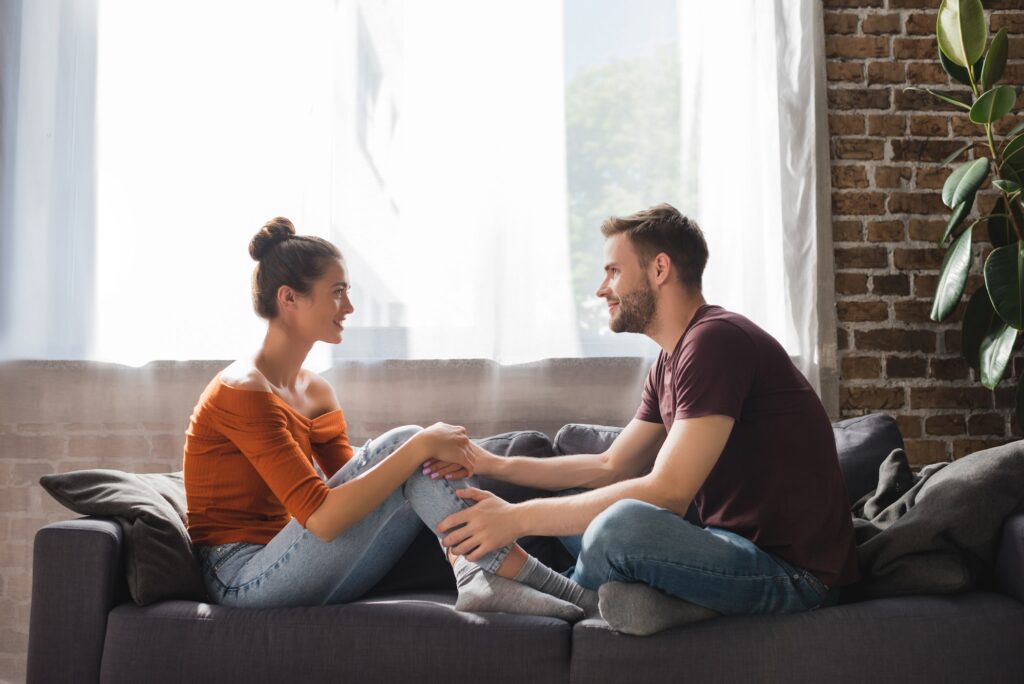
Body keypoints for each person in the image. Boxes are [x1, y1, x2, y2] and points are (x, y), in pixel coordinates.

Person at [430, 203, 859, 635]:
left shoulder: (716, 341)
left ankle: (560, 595)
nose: (602, 289)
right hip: (725, 549)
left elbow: (669, 493)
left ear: (659, 269)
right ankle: (657, 601)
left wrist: (516, 520)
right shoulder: (670, 362)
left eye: (613, 271)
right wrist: (489, 462)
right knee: (583, 498)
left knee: (619, 525)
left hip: (795, 576)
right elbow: (609, 466)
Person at [184, 217, 596, 619]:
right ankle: (571, 594)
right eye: (338, 292)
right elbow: (324, 519)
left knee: (409, 456)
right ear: (289, 298)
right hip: (240, 577)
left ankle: (474, 574)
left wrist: (419, 454)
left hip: (292, 560)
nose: (349, 306)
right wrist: (419, 444)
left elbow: (360, 494)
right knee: (408, 443)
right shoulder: (242, 391)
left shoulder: (315, 391)